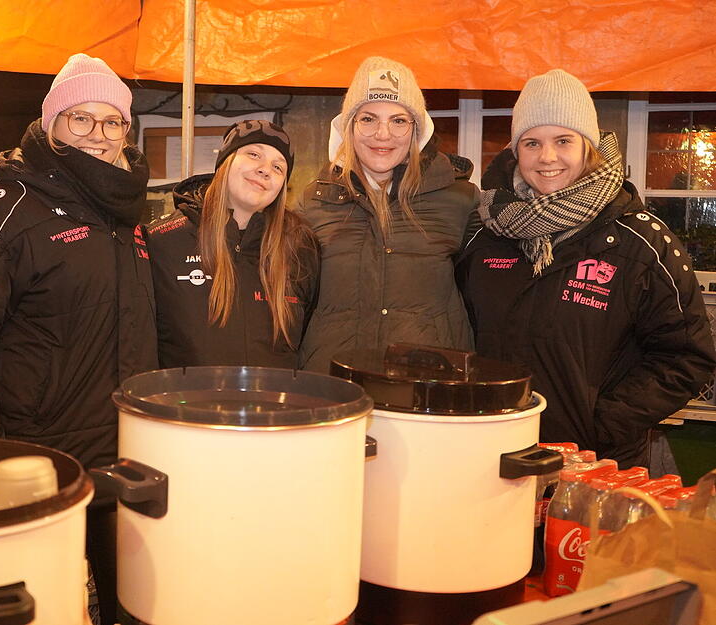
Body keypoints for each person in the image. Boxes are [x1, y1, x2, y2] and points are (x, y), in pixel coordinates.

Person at [0, 53, 157, 625]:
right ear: (51, 124)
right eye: (81, 118)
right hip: (37, 456)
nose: (98, 134)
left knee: (132, 607)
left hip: (123, 453)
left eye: (112, 121)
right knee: (44, 607)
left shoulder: (130, 208)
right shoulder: (10, 205)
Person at [456, 69, 716, 468]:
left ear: (588, 147)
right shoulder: (485, 232)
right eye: (532, 142)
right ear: (515, 151)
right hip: (490, 456)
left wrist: (602, 424)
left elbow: (686, 357)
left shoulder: (641, 242)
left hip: (594, 464)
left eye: (563, 140)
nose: (547, 157)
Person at [298, 56, 479, 373]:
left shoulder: (460, 200)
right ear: (349, 127)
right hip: (334, 384)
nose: (383, 134)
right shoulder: (313, 202)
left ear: (416, 130)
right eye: (368, 119)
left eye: (398, 120)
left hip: (425, 387)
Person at [147, 120, 319, 368]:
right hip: (185, 394)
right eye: (254, 154)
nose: (265, 170)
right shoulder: (162, 240)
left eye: (278, 167)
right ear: (225, 163)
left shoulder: (300, 248)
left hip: (274, 394)